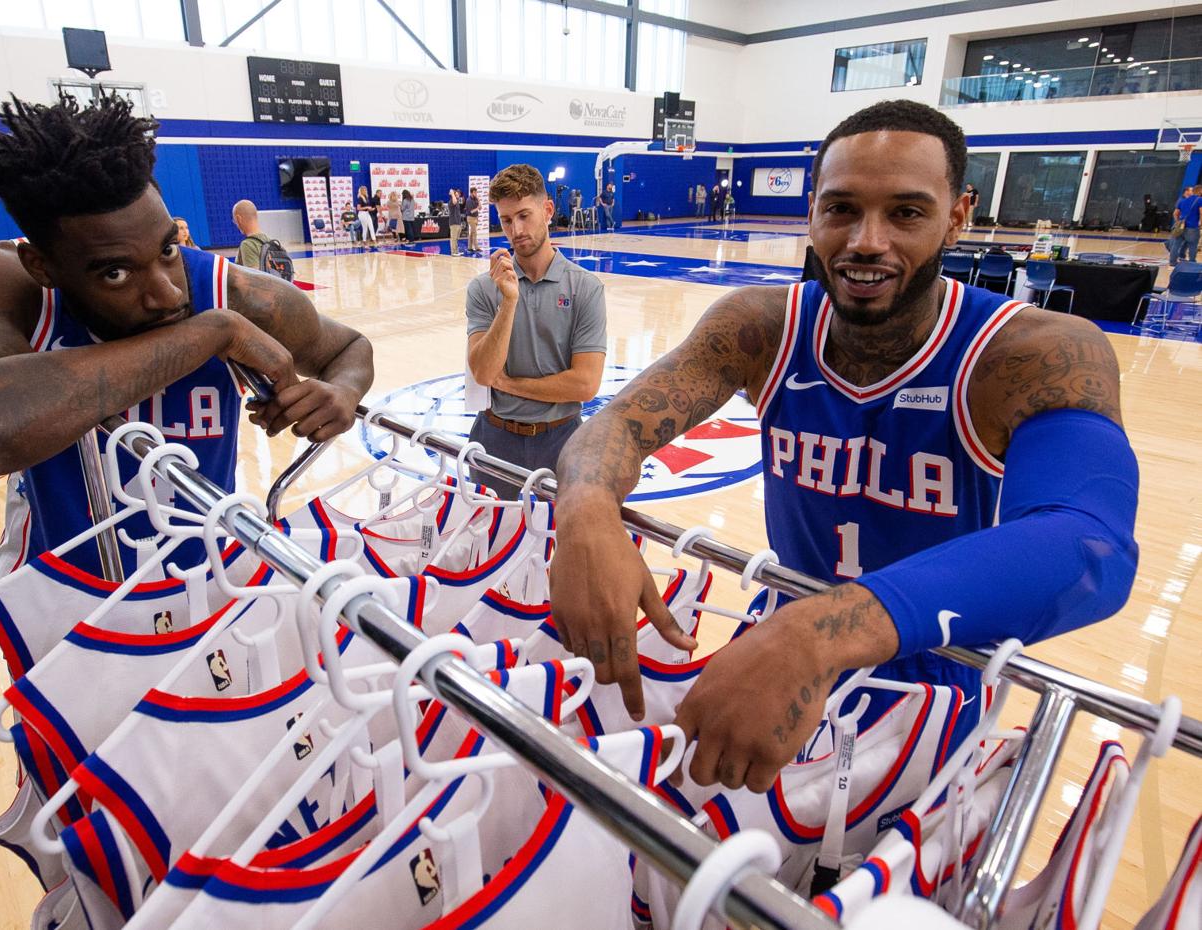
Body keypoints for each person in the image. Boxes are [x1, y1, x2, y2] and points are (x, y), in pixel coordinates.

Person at [549, 99, 1138, 793]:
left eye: (906, 213)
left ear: (959, 214)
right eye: (842, 209)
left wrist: (822, 633)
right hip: (777, 640)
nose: (866, 239)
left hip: (931, 671)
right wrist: (586, 512)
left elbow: (1088, 544)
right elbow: (616, 424)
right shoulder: (760, 327)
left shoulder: (1032, 351)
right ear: (813, 213)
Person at [0, 93, 372, 578]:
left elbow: (346, 348)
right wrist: (212, 332)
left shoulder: (230, 290)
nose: (166, 293)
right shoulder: (1, 281)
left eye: (168, 248)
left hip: (204, 575)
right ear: (42, 266)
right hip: (57, 586)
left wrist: (341, 392)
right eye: (116, 273)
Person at [465, 164, 607, 498]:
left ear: (547, 210)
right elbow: (485, 372)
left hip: (562, 440)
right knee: (492, 541)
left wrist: (511, 385)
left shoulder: (585, 288)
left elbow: (585, 385)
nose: (516, 230)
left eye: (524, 216)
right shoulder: (484, 288)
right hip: (495, 438)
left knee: (559, 545)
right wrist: (509, 301)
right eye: (506, 220)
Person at [232, 199, 273, 267]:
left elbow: (253, 277)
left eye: (234, 221)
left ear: (239, 219)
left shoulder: (247, 245)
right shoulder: (273, 243)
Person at [1173, 185, 1202, 265]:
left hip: (1181, 226)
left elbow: (1175, 213)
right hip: (1192, 226)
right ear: (1199, 191)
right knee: (1193, 245)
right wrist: (1200, 222)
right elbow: (1201, 212)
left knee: (1176, 244)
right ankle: (1192, 262)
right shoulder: (1200, 200)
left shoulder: (1182, 200)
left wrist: (1178, 222)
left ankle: (1172, 262)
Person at [447, 189, 465, 256]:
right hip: (453, 223)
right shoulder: (452, 201)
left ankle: (456, 251)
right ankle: (453, 252)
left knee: (456, 238)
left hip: (458, 223)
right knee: (453, 238)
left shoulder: (457, 202)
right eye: (457, 194)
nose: (458, 195)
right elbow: (454, 201)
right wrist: (452, 193)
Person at [464, 188, 481, 254]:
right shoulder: (469, 200)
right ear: (471, 193)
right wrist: (477, 208)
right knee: (474, 233)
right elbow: (471, 211)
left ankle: (469, 247)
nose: (476, 194)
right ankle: (476, 247)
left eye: (476, 192)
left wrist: (479, 200)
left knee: (471, 233)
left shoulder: (476, 199)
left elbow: (480, 207)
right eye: (474, 192)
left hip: (475, 217)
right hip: (471, 218)